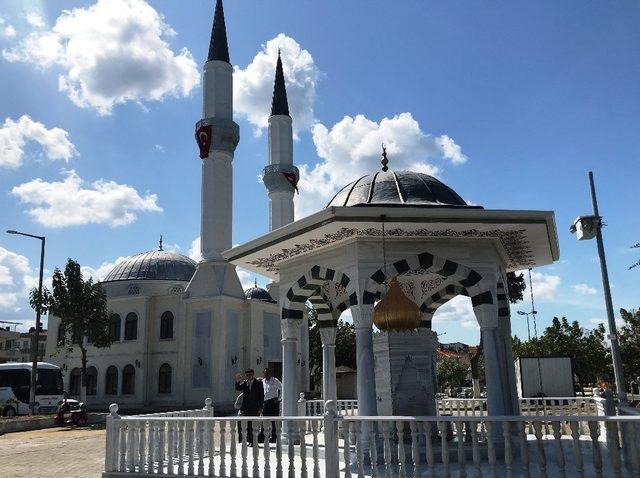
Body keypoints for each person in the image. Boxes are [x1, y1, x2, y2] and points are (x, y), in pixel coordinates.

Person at [235, 369, 264, 445]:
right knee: (248, 426)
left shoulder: (258, 383)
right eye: (247, 375)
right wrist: (237, 381)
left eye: (250, 375)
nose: (249, 376)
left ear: (253, 374)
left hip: (255, 408)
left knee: (254, 425)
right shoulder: (245, 383)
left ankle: (254, 441)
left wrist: (260, 407)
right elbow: (238, 388)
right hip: (246, 408)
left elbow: (261, 396)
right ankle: (250, 441)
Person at [260, 368, 282, 442]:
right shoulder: (262, 381)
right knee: (264, 420)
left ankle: (274, 437)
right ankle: (263, 436)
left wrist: (279, 398)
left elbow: (282, 388)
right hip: (265, 403)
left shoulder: (275, 381)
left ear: (270, 373)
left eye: (268, 373)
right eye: (265, 373)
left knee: (274, 421)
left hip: (273, 403)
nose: (266, 375)